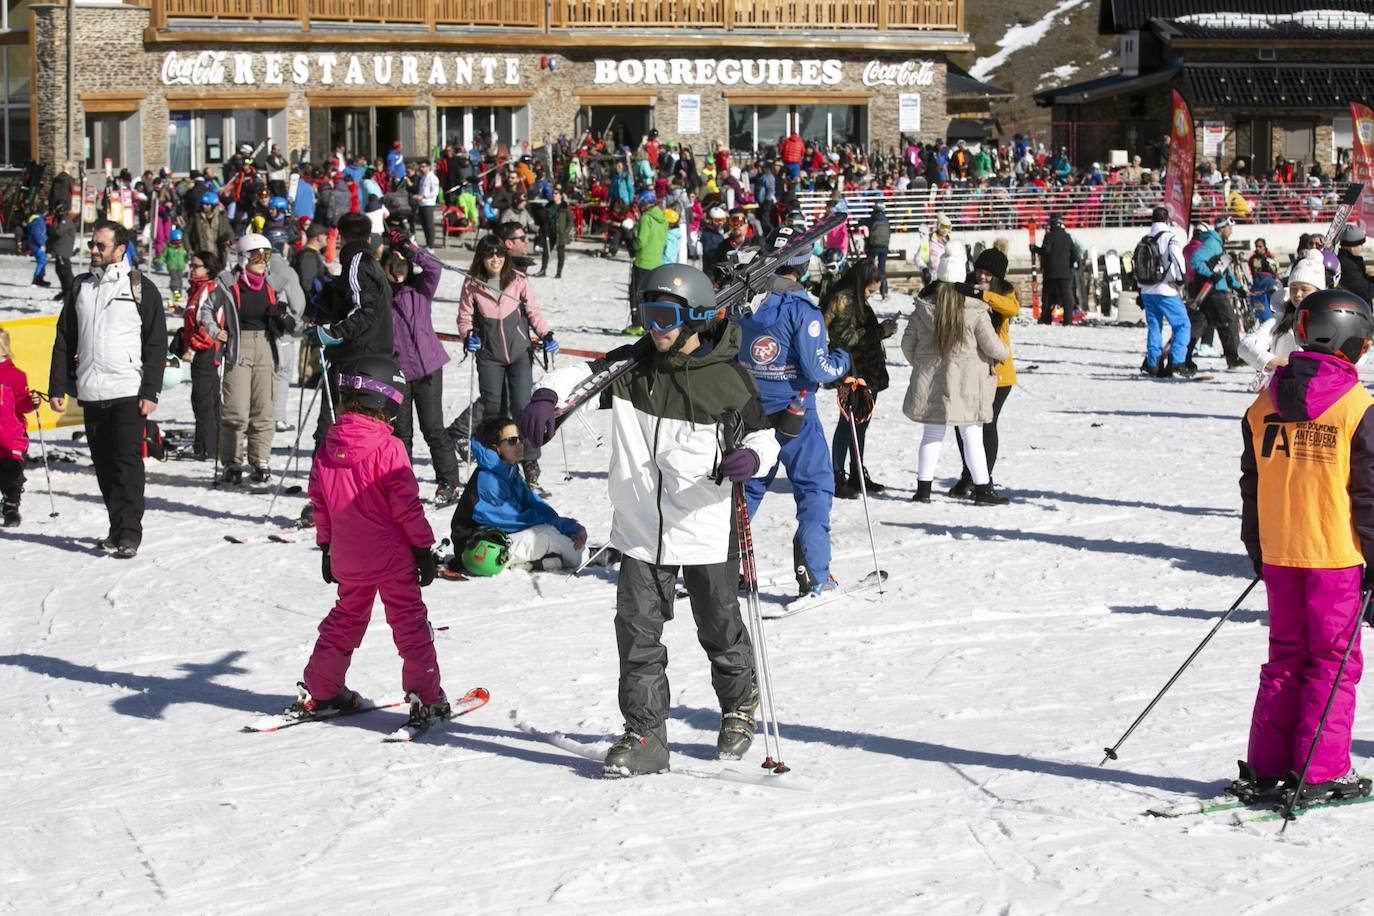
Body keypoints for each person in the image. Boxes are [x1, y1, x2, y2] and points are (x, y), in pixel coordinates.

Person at [517, 263, 780, 776]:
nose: (652, 328)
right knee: (637, 636)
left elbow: (764, 438)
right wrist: (548, 396)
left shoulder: (728, 378)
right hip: (639, 531)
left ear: (696, 317)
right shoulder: (633, 368)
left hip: (703, 526)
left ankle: (738, 705)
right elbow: (583, 373)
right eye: (645, 315)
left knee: (720, 626)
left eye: (663, 316)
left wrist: (750, 458)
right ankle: (645, 736)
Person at [1235, 287, 1374, 805]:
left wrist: (1257, 546)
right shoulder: (1357, 407)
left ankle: (1269, 765)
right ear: (1353, 344)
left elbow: (1252, 485)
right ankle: (1321, 770)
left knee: (1287, 656)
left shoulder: (1264, 402)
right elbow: (1369, 494)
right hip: (1334, 554)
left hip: (1281, 551)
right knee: (1333, 662)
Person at [291, 356, 449, 726]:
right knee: (410, 624)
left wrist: (328, 547)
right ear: (386, 401)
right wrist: (423, 549)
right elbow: (406, 507)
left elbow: (321, 504)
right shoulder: (387, 447)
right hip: (392, 558)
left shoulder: (327, 447)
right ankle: (426, 698)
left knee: (344, 620)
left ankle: (323, 687)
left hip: (349, 556)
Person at [736, 245, 852, 600]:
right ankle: (817, 574)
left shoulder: (746, 301)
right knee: (814, 488)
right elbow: (819, 368)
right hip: (796, 411)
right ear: (801, 267)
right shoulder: (802, 309)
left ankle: (718, 568)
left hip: (752, 409)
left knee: (749, 490)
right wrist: (844, 360)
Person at [48, 220, 167, 559]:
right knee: (103, 466)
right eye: (92, 245)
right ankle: (116, 528)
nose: (94, 251)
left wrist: (150, 390)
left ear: (119, 249)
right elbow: (64, 339)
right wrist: (57, 384)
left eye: (101, 245)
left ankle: (130, 532)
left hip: (128, 390)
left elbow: (156, 343)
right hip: (91, 390)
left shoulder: (140, 287)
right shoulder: (80, 287)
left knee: (126, 463)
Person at [900, 241, 1009, 505]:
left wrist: (923, 363)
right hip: (967, 384)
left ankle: (923, 490)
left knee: (931, 435)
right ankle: (983, 489)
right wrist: (1002, 353)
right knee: (972, 435)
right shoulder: (974, 308)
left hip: (931, 382)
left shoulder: (924, 305)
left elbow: (906, 344)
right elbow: (995, 348)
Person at [457, 233, 557, 493]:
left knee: (523, 407)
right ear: (482, 257)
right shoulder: (472, 285)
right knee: (494, 409)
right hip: (489, 356)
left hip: (518, 353)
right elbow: (464, 318)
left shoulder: (518, 281)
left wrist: (546, 334)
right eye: (489, 254)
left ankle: (530, 463)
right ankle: (498, 461)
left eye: (499, 254)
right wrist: (468, 336)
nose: (495, 259)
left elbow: (533, 311)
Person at [202, 234, 296, 484]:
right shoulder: (228, 283)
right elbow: (207, 309)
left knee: (264, 409)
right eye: (257, 256)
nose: (263, 261)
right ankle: (232, 463)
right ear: (244, 258)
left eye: (267, 256)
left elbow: (290, 316)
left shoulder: (275, 284)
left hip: (266, 345)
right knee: (236, 410)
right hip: (238, 345)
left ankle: (260, 460)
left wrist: (283, 319)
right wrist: (216, 331)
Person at [447, 415, 587, 574]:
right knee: (546, 535)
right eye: (512, 441)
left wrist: (562, 524)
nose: (520, 444)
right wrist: (562, 526)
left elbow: (531, 501)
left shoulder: (508, 469)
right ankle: (585, 556)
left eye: (520, 438)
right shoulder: (488, 479)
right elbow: (515, 518)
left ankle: (537, 561)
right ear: (497, 448)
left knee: (550, 528)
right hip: (477, 549)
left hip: (497, 539)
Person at [383, 229, 462, 505]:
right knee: (401, 434)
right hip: (398, 374)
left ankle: (449, 482)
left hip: (428, 369)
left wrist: (409, 247)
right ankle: (403, 485)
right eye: (391, 265)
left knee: (433, 429)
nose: (397, 269)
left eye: (401, 263)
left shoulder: (420, 289)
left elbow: (434, 266)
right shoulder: (381, 298)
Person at [311, 211, 396, 451]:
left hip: (358, 357)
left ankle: (327, 481)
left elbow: (364, 309)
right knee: (363, 424)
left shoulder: (357, 261)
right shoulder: (370, 264)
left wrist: (334, 333)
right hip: (373, 354)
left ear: (342, 238)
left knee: (338, 423)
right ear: (369, 238)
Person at [821, 257, 895, 499]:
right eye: (870, 290)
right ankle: (837, 474)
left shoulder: (857, 300)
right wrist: (879, 331)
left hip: (867, 371)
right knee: (848, 424)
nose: (872, 295)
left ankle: (857, 471)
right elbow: (846, 338)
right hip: (851, 371)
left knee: (861, 424)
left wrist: (880, 332)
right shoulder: (843, 300)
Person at [950, 246, 1019, 497]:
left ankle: (984, 479)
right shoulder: (965, 286)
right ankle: (969, 474)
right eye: (979, 271)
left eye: (988, 274)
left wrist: (981, 294)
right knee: (963, 425)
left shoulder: (1005, 292)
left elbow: (1012, 309)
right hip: (968, 369)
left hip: (998, 373)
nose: (982, 277)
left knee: (987, 426)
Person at [1238, 250, 1325, 377]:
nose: (1298, 294)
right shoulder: (1281, 318)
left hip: (1317, 390)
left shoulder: (1328, 320)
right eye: (1293, 288)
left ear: (1318, 291)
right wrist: (1271, 360)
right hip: (1282, 388)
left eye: (1304, 289)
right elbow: (1246, 345)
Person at [1137, 206, 1193, 378]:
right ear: (1167, 220)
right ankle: (1176, 362)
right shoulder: (1169, 238)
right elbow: (1177, 257)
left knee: (1154, 326)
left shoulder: (1144, 238)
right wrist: (1180, 278)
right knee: (1183, 325)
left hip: (1146, 289)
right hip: (1165, 290)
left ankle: (1153, 364)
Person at [179, 250, 223, 461]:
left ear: (207, 268)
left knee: (204, 399)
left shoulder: (208, 288)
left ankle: (207, 446)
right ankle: (210, 444)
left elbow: (207, 325)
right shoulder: (197, 288)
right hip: (202, 349)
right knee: (209, 397)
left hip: (205, 350)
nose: (192, 268)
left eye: (196, 265)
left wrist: (192, 349)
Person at [1188, 215, 1244, 370]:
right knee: (1229, 322)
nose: (1231, 231)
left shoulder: (1218, 244)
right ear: (1222, 228)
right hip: (1214, 291)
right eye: (1229, 228)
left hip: (1212, 290)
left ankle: (1183, 357)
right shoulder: (1212, 243)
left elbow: (1223, 269)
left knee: (1199, 325)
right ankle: (1233, 358)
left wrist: (1237, 286)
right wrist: (1209, 274)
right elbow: (1195, 261)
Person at [0, 326, 42, 526]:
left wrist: (32, 401)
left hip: (11, 434)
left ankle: (11, 505)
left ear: (3, 349)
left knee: (12, 470)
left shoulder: (16, 376)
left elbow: (23, 405)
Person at [628, 191, 667, 331]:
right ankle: (650, 323)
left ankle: (637, 324)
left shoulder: (646, 218)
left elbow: (641, 241)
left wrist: (633, 244)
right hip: (656, 261)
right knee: (651, 295)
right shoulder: (663, 218)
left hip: (643, 261)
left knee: (637, 294)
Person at [1034, 213, 1077, 326]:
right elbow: (1075, 255)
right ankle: (1068, 320)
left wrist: (1035, 249)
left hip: (1051, 272)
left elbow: (1045, 251)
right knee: (1066, 297)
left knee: (1047, 296)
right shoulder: (1067, 237)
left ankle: (1046, 318)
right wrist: (1069, 267)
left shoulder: (1049, 236)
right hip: (1065, 272)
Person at [188, 190, 234, 268]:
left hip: (217, 254)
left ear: (213, 206)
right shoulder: (196, 217)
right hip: (202, 253)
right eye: (203, 204)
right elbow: (186, 232)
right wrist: (188, 248)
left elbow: (229, 229)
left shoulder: (221, 216)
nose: (204, 206)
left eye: (207, 204)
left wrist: (229, 240)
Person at [862, 202, 892, 299]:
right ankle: (884, 292)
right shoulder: (886, 220)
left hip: (872, 247)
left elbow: (862, 222)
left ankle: (867, 288)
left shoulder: (872, 219)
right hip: (884, 247)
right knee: (882, 269)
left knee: (869, 267)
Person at [1337, 224, 1373, 302]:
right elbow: (1366, 292)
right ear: (1351, 246)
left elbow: (1363, 281)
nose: (1362, 248)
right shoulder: (1347, 265)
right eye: (1360, 245)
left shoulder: (1351, 260)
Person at [547, 185, 574, 279]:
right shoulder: (549, 205)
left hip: (561, 233)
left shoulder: (565, 206)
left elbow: (570, 220)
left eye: (556, 193)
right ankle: (543, 269)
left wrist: (566, 231)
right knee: (546, 252)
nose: (554, 195)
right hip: (551, 232)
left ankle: (559, 272)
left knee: (560, 253)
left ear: (560, 195)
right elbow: (545, 218)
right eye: (553, 193)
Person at [48, 210, 76, 302]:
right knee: (60, 271)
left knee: (65, 273)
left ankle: (70, 293)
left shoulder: (65, 220)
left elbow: (57, 232)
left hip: (63, 251)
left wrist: (54, 223)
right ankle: (65, 291)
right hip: (60, 251)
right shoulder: (61, 220)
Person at [160, 227, 188, 307]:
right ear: (171, 241)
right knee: (174, 281)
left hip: (180, 266)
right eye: (175, 242)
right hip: (172, 266)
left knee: (179, 280)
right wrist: (160, 261)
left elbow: (185, 255)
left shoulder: (182, 248)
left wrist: (188, 258)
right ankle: (176, 293)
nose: (177, 244)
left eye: (179, 242)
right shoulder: (168, 248)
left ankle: (178, 293)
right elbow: (163, 255)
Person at [415, 160, 440, 249]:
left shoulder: (433, 178)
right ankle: (427, 243)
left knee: (429, 225)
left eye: (424, 166)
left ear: (428, 167)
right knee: (424, 225)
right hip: (421, 204)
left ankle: (431, 245)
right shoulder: (422, 178)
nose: (422, 168)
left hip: (428, 204)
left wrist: (424, 196)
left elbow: (435, 192)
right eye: (421, 167)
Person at [26, 211, 49, 287]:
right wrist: (41, 243)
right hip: (37, 245)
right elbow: (38, 233)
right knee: (41, 261)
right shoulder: (39, 220)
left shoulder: (35, 219)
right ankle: (37, 279)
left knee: (42, 260)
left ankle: (39, 278)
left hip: (34, 244)